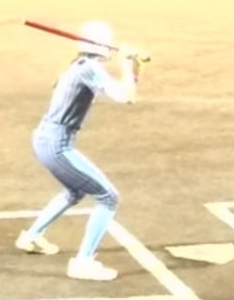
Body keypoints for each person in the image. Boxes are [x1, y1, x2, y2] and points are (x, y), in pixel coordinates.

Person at [14, 20, 147, 281]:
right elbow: (126, 97)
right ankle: (83, 262)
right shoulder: (89, 68)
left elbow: (129, 91)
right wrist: (125, 62)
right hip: (57, 145)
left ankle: (31, 236)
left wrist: (134, 67)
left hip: (48, 139)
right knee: (108, 197)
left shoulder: (80, 65)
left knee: (75, 192)